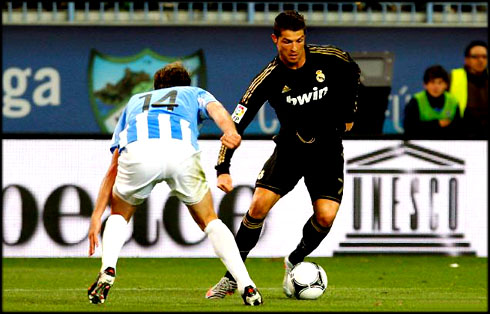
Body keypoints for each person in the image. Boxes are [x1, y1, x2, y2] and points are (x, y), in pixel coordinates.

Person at [205, 10, 360, 299]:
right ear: (275, 40)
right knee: (257, 207)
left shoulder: (329, 58)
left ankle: (295, 259)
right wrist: (222, 166)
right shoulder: (269, 77)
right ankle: (232, 277)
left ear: (305, 39)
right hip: (290, 151)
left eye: (299, 40)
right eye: (287, 41)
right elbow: (234, 124)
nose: (293, 48)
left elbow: (352, 69)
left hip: (327, 152)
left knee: (325, 217)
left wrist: (350, 111)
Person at [87, 62, 263, 306]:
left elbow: (113, 167)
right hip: (181, 150)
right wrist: (230, 131)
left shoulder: (136, 100)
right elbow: (217, 110)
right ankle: (247, 285)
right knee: (210, 220)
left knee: (119, 213)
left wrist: (97, 216)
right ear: (185, 85)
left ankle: (108, 269)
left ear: (156, 87)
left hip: (139, 151)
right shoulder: (193, 93)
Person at [403, 65, 462, 138]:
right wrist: (437, 124)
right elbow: (409, 128)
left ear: (446, 85)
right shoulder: (416, 101)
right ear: (425, 85)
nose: (436, 87)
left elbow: (459, 130)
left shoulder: (453, 102)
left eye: (440, 83)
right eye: (432, 82)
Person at [449, 40, 488, 138]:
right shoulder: (453, 77)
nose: (481, 60)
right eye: (475, 57)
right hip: (462, 133)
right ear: (466, 60)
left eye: (484, 57)